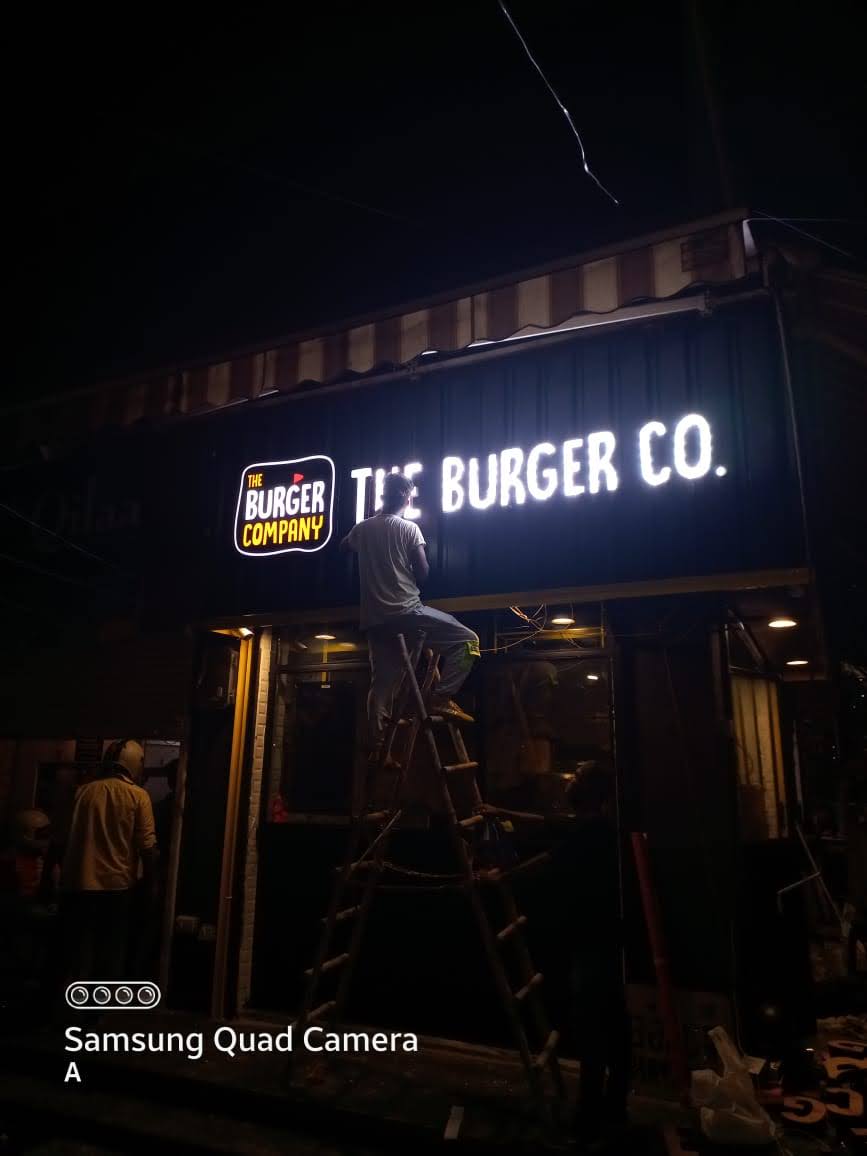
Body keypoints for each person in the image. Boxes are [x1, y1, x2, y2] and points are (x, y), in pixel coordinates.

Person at [341, 472, 480, 744]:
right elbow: (423, 572)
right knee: (468, 642)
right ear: (406, 497)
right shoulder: (409, 529)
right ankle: (442, 697)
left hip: (375, 621)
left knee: (381, 687)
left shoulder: (362, 529)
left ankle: (378, 747)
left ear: (383, 495)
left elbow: (343, 547)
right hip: (406, 612)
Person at [60, 739, 158, 981]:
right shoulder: (138, 796)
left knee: (76, 950)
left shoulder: (83, 791)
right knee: (110, 952)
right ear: (134, 763)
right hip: (117, 887)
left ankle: (70, 996)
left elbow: (61, 839)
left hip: (78, 884)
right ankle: (100, 1000)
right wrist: (152, 886)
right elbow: (147, 847)